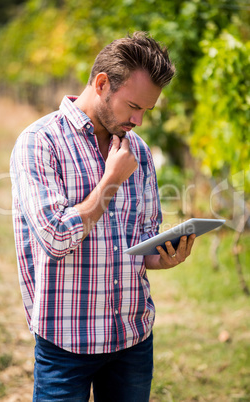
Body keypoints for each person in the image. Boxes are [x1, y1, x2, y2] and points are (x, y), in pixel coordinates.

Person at [10, 31, 195, 402]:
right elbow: (57, 238)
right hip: (65, 345)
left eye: (147, 110)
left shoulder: (137, 150)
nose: (139, 120)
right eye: (133, 106)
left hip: (132, 339)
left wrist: (164, 256)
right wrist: (110, 180)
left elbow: (139, 245)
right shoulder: (39, 142)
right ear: (101, 83)